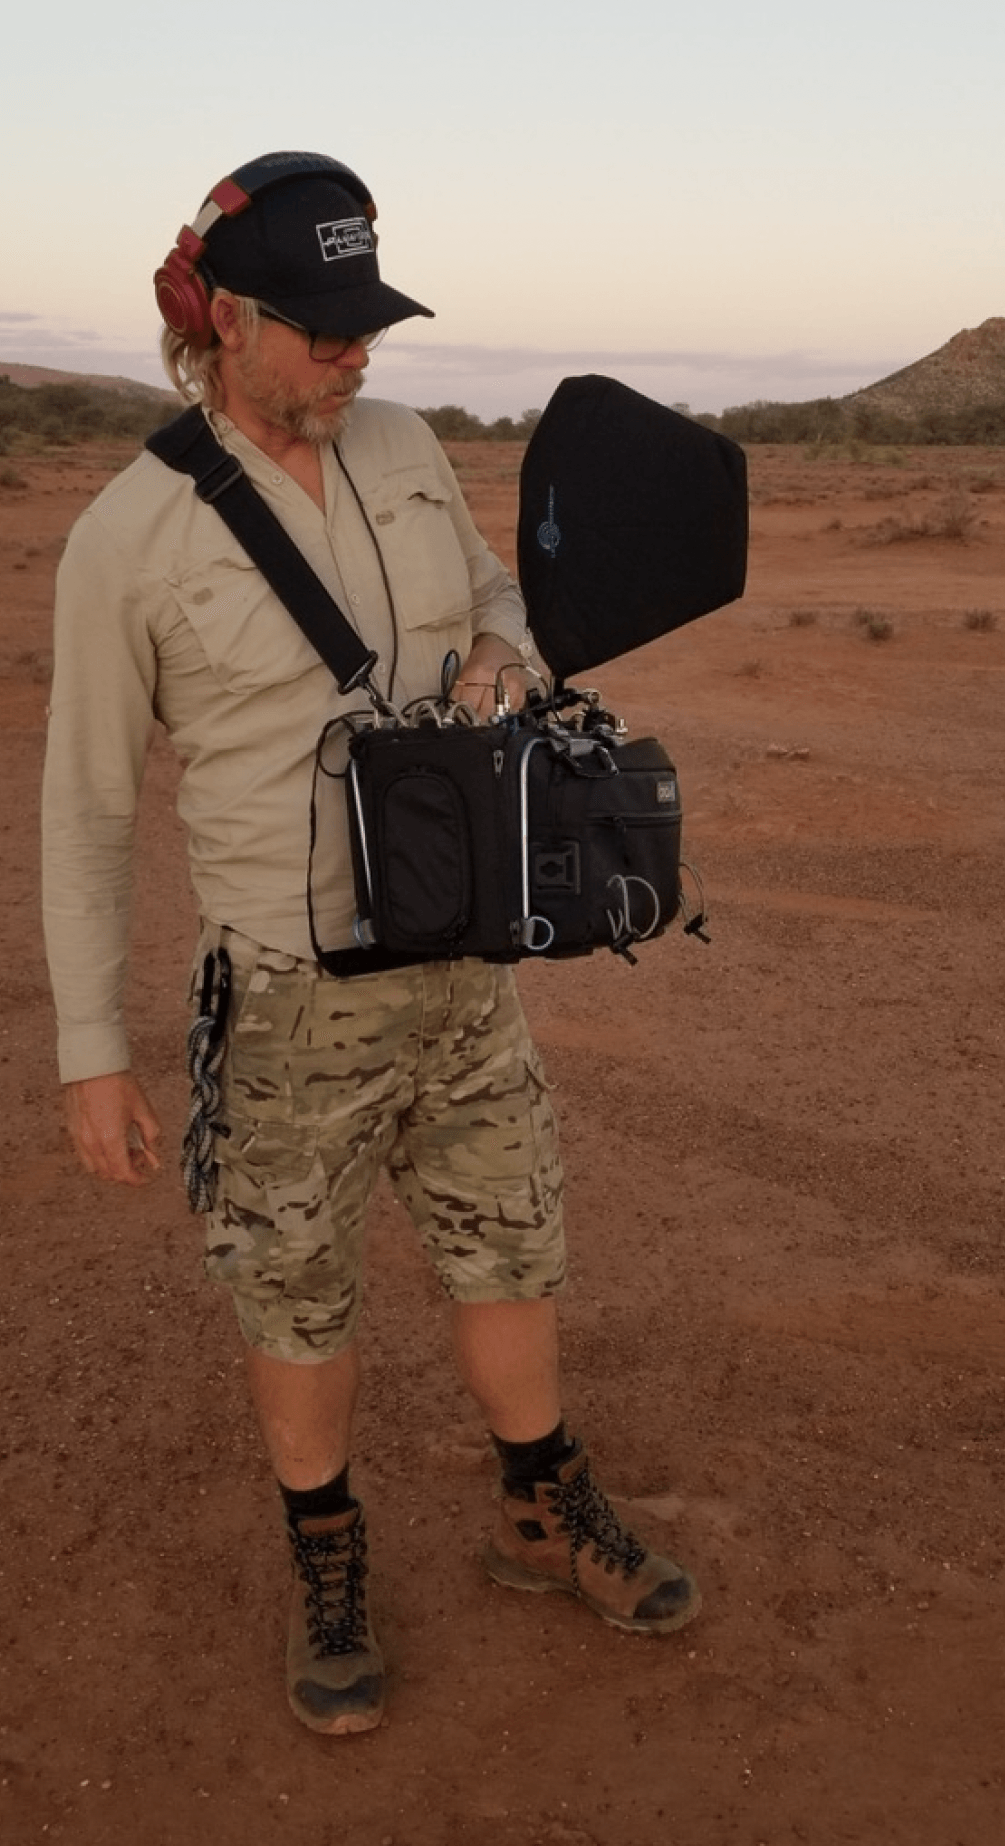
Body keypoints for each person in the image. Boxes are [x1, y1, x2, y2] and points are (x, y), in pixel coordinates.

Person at [41, 151, 699, 1737]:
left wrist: (495, 652)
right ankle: (326, 1559)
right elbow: (87, 810)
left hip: (465, 964)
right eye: (323, 326)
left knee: (512, 1240)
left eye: (367, 324)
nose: (355, 353)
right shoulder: (128, 536)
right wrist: (91, 1055)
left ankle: (542, 1513)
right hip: (287, 999)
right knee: (298, 1295)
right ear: (226, 322)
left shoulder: (402, 444)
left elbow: (499, 595)